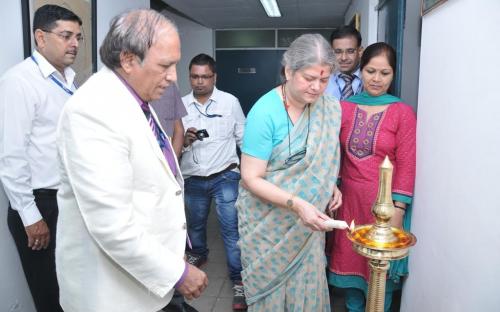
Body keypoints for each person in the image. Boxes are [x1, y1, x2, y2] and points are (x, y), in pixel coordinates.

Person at [55, 9, 208, 312]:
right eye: (165, 65)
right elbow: (112, 226)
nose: (173, 77)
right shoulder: (94, 110)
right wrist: (178, 272)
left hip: (146, 282)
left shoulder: (135, 98)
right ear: (127, 60)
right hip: (113, 295)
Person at [236, 34, 343, 311]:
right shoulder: (265, 112)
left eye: (324, 80)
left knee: (307, 292)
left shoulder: (329, 109)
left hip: (306, 230)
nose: (317, 87)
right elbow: (250, 178)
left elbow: (321, 159)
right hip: (269, 227)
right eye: (309, 78)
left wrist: (329, 184)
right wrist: (297, 205)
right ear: (288, 71)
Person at [0, 5, 81, 312]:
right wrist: (31, 217)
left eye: (78, 37)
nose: (74, 43)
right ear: (40, 37)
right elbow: (11, 154)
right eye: (66, 35)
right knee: (50, 297)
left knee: (72, 293)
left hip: (66, 201)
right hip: (40, 205)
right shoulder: (19, 81)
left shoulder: (69, 81)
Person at [327, 42, 416, 312]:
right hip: (349, 202)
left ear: (393, 75)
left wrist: (398, 208)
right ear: (360, 71)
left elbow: (407, 163)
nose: (376, 79)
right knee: (352, 269)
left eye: (384, 73)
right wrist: (331, 185)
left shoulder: (402, 112)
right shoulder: (344, 108)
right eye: (370, 71)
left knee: (381, 273)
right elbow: (332, 152)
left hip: (385, 206)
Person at [180, 53, 247, 310]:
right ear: (189, 77)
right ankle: (199, 257)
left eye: (205, 76)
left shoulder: (230, 102)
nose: (199, 82)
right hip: (193, 178)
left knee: (231, 230)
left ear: (214, 77)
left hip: (225, 174)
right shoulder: (181, 104)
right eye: (195, 76)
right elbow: (173, 146)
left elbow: (242, 137)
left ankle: (239, 279)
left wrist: (251, 174)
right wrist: (185, 140)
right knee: (195, 226)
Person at [324, 25, 364, 100]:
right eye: (338, 52)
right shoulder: (323, 79)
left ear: (360, 51)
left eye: (350, 51)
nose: (344, 58)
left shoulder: (371, 78)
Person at [151, 84, 187, 158]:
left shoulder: (169, 86)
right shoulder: (123, 86)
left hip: (165, 159)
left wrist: (172, 163)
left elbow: (178, 130)